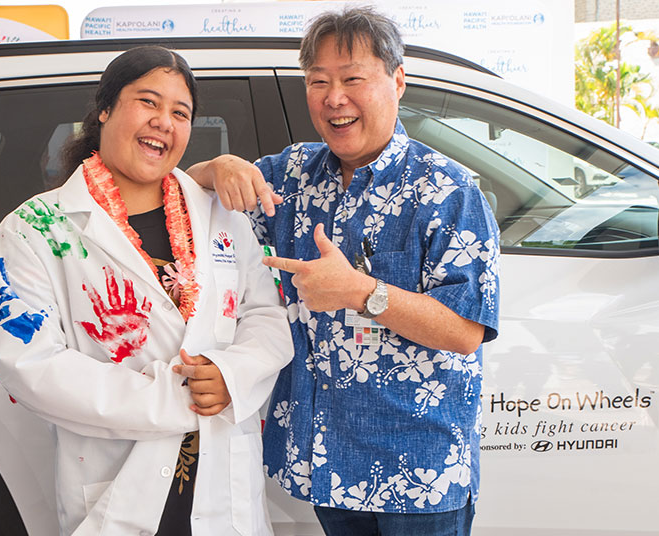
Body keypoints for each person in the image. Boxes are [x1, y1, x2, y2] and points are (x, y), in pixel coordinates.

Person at [188, 7, 500, 536]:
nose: (335, 98)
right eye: (318, 82)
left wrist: (360, 291)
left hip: (417, 472)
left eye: (353, 78)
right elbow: (189, 197)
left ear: (397, 81)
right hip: (325, 464)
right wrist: (216, 168)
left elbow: (465, 330)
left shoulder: (447, 190)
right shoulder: (290, 173)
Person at [0, 46, 292, 536]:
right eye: (148, 102)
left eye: (180, 112)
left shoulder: (221, 217)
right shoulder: (34, 229)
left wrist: (231, 374)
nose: (163, 122)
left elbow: (266, 317)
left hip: (221, 480)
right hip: (119, 482)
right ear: (104, 109)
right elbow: (30, 366)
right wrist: (177, 396)